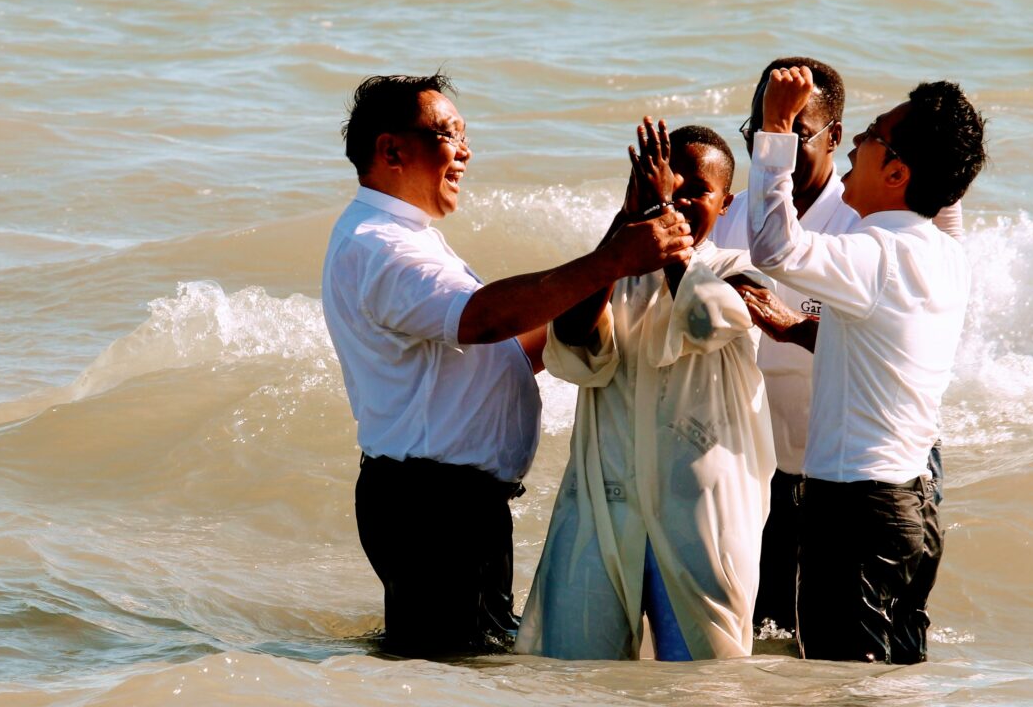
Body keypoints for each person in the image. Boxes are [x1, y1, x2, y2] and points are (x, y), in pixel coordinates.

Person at [321, 73, 694, 658]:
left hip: (441, 501)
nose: (466, 152)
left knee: (452, 660)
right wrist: (612, 260)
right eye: (449, 134)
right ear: (391, 149)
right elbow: (483, 319)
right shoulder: (381, 246)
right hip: (433, 506)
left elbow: (508, 346)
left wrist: (619, 237)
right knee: (450, 671)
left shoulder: (404, 237)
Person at [710, 57, 963, 639]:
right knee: (793, 647)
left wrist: (794, 327)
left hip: (855, 483)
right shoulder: (740, 212)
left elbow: (779, 251)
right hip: (782, 461)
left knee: (836, 677)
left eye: (794, 133)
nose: (769, 147)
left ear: (835, 137)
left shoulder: (871, 228)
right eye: (760, 133)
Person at [516, 119, 775, 660]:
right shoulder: (612, 277)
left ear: (726, 205)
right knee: (577, 685)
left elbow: (704, 320)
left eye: (696, 190)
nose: (677, 199)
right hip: (603, 508)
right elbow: (576, 349)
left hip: (701, 517)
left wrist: (664, 226)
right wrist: (623, 232)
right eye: (666, 186)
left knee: (705, 693)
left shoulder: (738, 273)